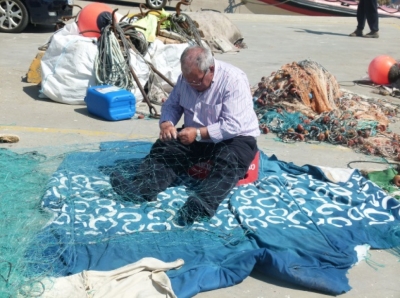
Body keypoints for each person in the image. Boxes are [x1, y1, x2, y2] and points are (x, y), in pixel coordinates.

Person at [110, 45, 260, 225]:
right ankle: (141, 188)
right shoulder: (187, 78)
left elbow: (233, 125)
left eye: (196, 82)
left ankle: (202, 206)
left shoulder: (233, 80)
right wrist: (167, 123)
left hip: (235, 138)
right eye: (188, 82)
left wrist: (198, 133)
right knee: (165, 147)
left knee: (229, 160)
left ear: (210, 70)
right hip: (195, 134)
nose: (192, 86)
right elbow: (172, 105)